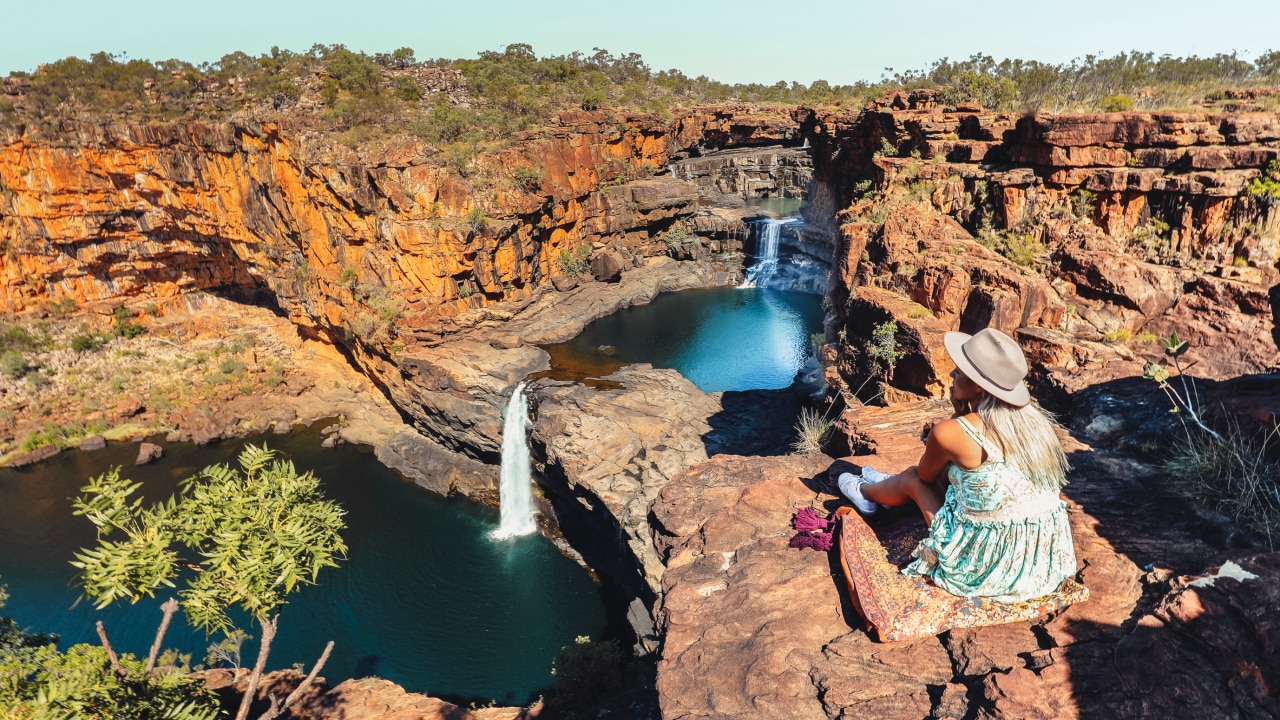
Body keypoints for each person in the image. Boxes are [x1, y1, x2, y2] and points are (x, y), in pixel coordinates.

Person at [835, 327, 1078, 603]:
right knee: (957, 472)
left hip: (987, 566)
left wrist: (955, 418)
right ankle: (884, 488)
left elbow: (926, 475)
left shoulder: (953, 431)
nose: (952, 375)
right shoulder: (1034, 423)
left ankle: (865, 493)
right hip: (1040, 560)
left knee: (913, 479)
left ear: (978, 386)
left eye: (960, 371)